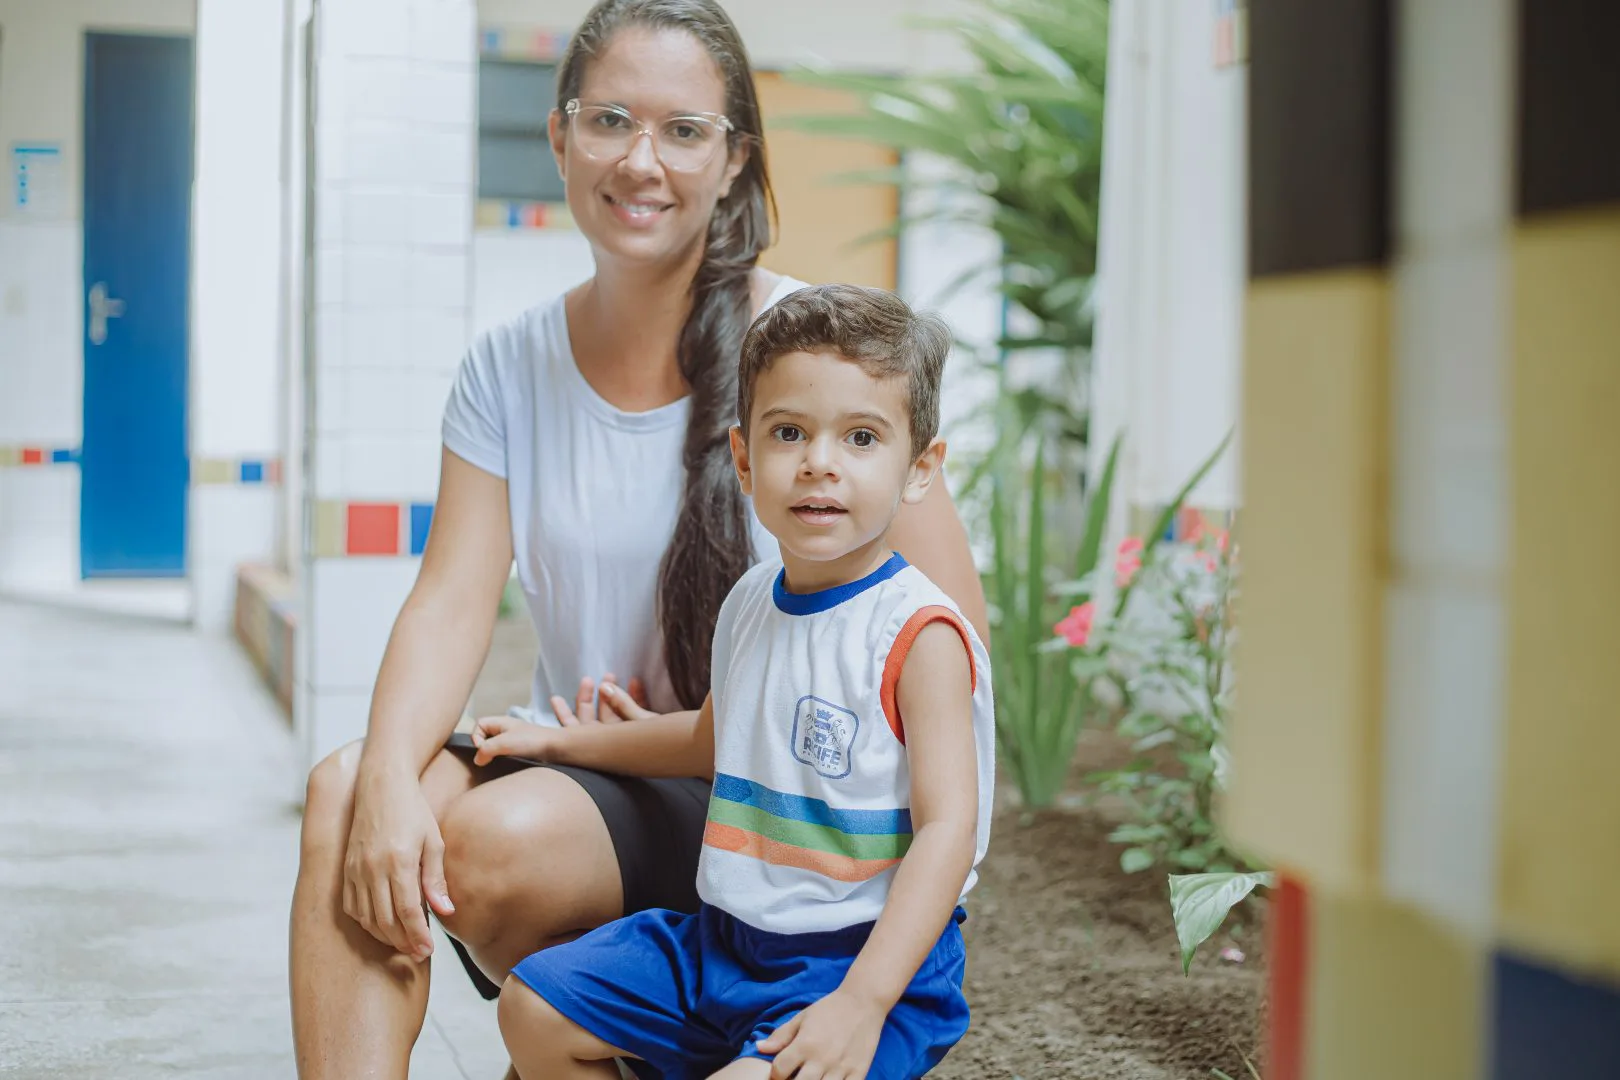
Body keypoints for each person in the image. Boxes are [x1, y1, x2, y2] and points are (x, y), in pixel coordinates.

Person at [287, 1, 987, 1077]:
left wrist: (885, 956)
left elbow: (949, 659)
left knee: (479, 843)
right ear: (561, 137)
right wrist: (389, 773)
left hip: (781, 813)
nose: (641, 161)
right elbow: (452, 599)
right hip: (596, 764)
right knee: (347, 801)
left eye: (684, 130)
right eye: (609, 120)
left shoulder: (818, 364)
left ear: (735, 158)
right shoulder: (509, 364)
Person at [472, 283, 995, 1080]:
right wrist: (562, 740)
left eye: (861, 437)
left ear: (919, 469)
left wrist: (861, 1002)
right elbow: (706, 739)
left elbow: (947, 832)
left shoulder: (918, 635)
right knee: (532, 1009)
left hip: (857, 963)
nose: (820, 461)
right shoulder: (752, 601)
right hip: (727, 945)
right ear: (746, 460)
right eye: (790, 432)